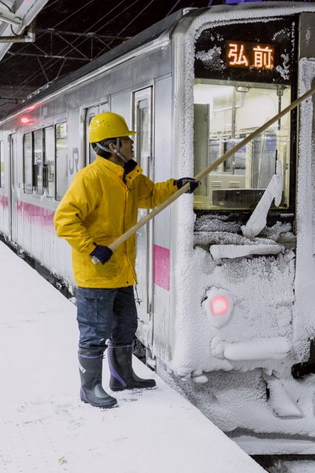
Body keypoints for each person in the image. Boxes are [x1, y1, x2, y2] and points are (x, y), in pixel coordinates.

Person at [54, 112, 198, 408]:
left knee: (125, 326)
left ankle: (121, 378)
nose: (132, 144)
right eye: (127, 140)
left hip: (122, 270)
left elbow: (152, 195)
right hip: (96, 273)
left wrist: (177, 186)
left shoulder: (129, 178)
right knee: (95, 331)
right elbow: (65, 221)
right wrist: (92, 248)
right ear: (112, 145)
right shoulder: (90, 179)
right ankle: (89, 388)